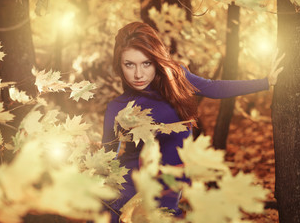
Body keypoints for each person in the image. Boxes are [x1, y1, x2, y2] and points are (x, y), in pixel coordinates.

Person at [102, 22, 284, 222]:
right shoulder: (117, 108)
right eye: (129, 64)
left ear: (156, 60)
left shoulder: (176, 78)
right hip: (131, 188)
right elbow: (107, 161)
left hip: (170, 186)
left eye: (146, 63)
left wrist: (265, 82)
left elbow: (214, 87)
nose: (138, 74)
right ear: (119, 65)